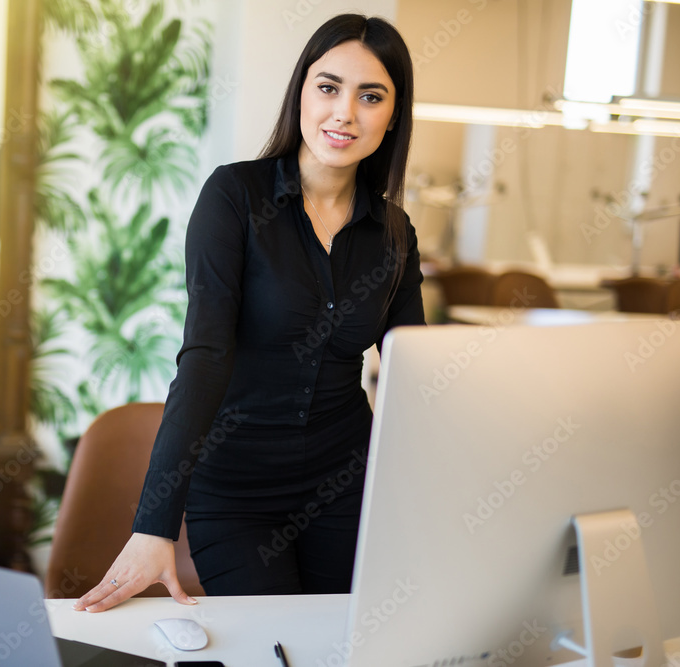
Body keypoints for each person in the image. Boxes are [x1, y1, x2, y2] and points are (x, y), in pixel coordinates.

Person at [73, 13, 425, 613]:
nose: (345, 112)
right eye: (328, 87)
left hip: (347, 485)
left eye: (371, 96)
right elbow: (205, 358)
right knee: (274, 647)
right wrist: (154, 525)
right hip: (236, 489)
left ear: (393, 114)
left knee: (342, 644)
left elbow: (417, 374)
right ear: (301, 93)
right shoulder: (235, 197)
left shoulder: (393, 231)